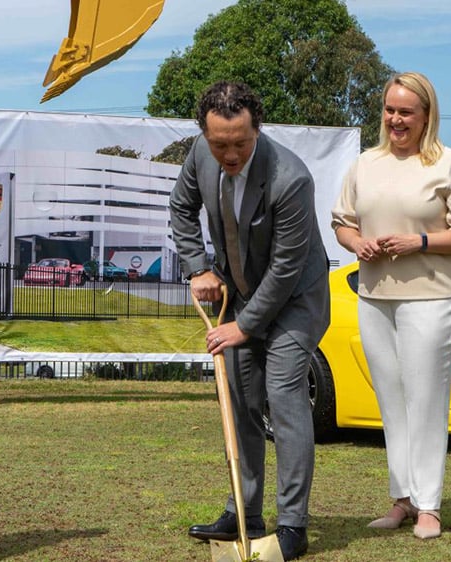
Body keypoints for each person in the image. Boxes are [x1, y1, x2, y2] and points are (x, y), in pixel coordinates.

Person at [170, 81, 331, 561]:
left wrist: (243, 326)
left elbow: (285, 269)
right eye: (220, 143)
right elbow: (182, 208)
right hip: (240, 288)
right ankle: (244, 511)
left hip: (296, 298)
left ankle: (292, 525)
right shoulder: (201, 153)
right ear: (205, 134)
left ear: (257, 130)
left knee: (283, 397)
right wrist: (199, 266)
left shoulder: (290, 179)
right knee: (239, 399)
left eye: (240, 142)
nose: (230, 153)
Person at [331, 72, 451, 540]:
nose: (395, 119)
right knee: (391, 402)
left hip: (433, 299)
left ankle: (429, 506)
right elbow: (342, 221)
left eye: (406, 112)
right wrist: (357, 243)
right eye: (390, 109)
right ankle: (401, 499)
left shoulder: (449, 164)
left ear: (426, 116)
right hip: (375, 298)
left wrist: (418, 241)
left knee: (425, 402)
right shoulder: (365, 163)